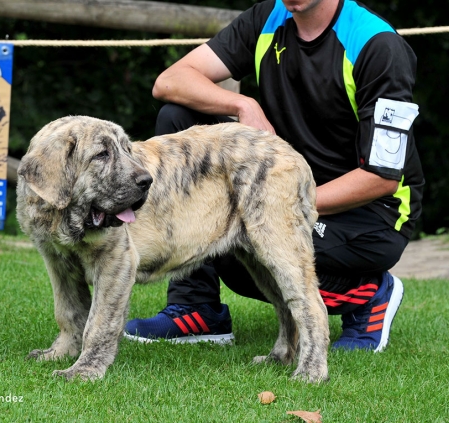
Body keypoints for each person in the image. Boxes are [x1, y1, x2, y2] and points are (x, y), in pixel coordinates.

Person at [124, 0, 424, 352]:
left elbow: (381, 177)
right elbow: (170, 82)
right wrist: (243, 105)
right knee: (179, 115)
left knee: (247, 249)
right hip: (275, 185)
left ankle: (368, 295)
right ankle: (195, 306)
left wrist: (268, 209)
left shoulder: (378, 46)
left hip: (371, 212)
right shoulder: (268, 17)